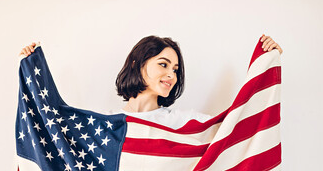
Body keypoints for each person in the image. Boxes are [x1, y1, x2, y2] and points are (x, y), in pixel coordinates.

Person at [19, 34, 283, 129]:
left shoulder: (183, 122)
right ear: (138, 63)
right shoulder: (105, 123)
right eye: (163, 64)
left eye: (176, 69)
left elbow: (236, 126)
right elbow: (56, 124)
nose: (171, 75)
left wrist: (265, 64)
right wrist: (32, 68)